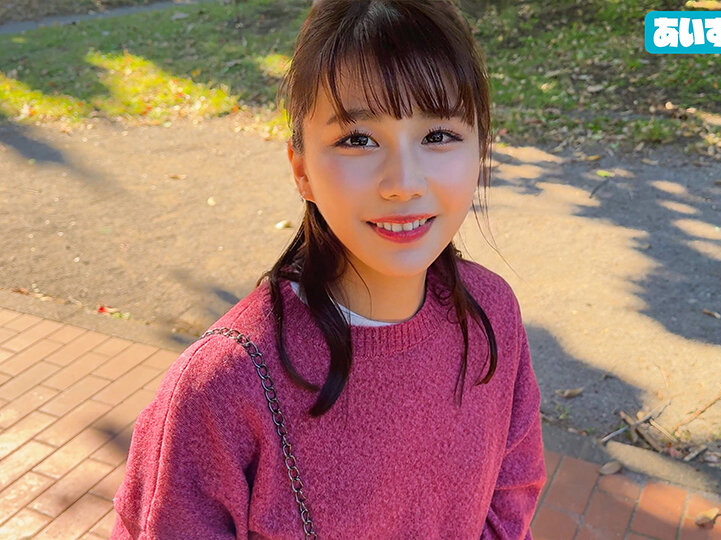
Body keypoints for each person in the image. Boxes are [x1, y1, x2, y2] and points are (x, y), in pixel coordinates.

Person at [110, 0, 546, 538]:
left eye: (438, 135)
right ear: (301, 170)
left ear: (480, 147)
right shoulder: (221, 390)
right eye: (358, 140)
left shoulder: (492, 314)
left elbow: (511, 498)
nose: (403, 183)